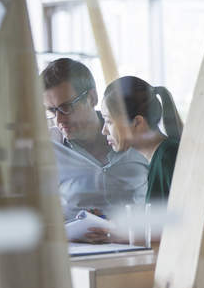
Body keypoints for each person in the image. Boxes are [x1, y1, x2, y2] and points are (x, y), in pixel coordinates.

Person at [41, 58, 148, 223]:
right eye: (52, 110)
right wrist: (73, 230)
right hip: (76, 247)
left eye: (66, 107)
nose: (59, 120)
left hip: (140, 244)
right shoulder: (47, 148)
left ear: (92, 97)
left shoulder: (137, 134)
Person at [100, 75, 183, 202]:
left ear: (137, 122)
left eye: (109, 121)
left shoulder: (168, 158)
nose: (104, 130)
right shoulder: (159, 157)